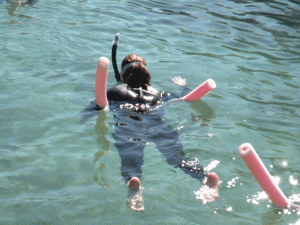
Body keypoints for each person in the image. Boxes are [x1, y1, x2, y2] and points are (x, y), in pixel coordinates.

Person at [83, 52, 219, 212]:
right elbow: (188, 98)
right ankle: (204, 177)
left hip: (128, 126)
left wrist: (84, 118)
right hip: (157, 125)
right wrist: (182, 86)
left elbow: (97, 106)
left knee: (130, 160)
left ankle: (133, 182)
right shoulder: (158, 94)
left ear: (122, 74)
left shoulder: (114, 92)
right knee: (178, 158)